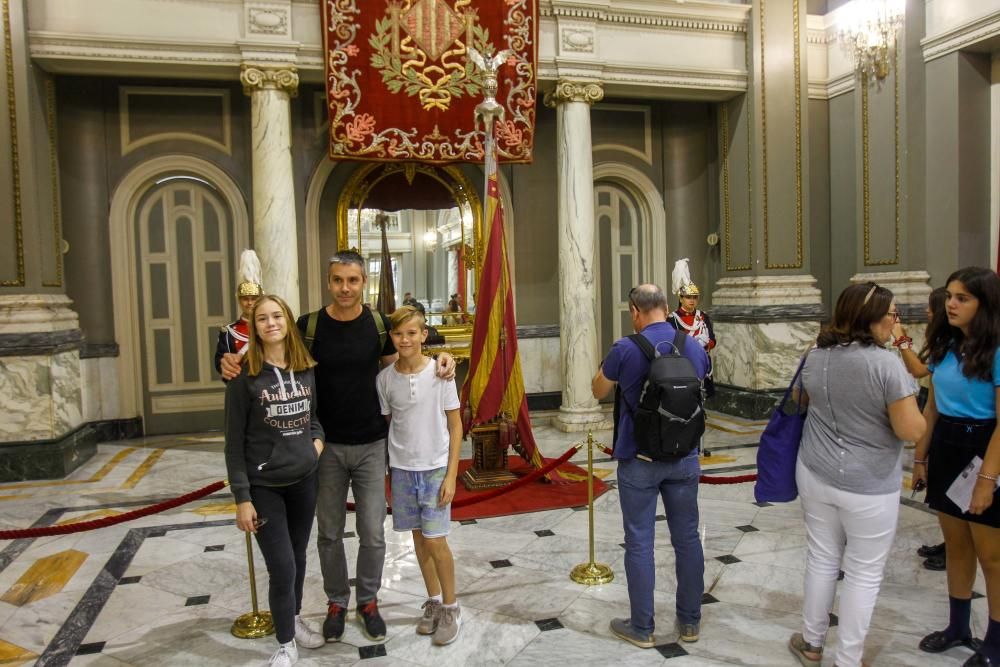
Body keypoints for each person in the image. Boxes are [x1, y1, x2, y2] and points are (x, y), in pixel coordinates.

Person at [221, 251, 455, 643]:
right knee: (328, 533)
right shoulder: (308, 326)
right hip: (325, 447)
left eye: (353, 280)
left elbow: (403, 362)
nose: (345, 288)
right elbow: (268, 350)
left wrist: (441, 357)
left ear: (364, 283)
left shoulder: (379, 325)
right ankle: (336, 601)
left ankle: (368, 600)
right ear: (328, 282)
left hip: (371, 444)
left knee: (372, 532)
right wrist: (228, 361)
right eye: (338, 280)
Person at [788, 282, 925, 667]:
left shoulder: (815, 354)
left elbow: (801, 400)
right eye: (893, 315)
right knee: (863, 573)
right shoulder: (884, 364)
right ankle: (847, 660)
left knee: (821, 557)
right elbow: (911, 430)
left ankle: (811, 643)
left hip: (815, 470)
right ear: (873, 318)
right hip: (867, 484)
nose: (895, 322)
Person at [591, 283, 710, 649]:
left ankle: (642, 627)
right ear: (664, 306)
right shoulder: (693, 346)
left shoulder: (625, 348)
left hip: (640, 459)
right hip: (685, 456)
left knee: (640, 542)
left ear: (634, 311)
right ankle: (689, 622)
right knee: (688, 538)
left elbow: (597, 390)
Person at [224, 294, 326, 667]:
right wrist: (241, 497)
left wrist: (315, 445)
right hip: (264, 488)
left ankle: (293, 618)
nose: (271, 323)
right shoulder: (243, 375)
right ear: (255, 326)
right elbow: (233, 444)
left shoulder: (305, 367)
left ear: (287, 321)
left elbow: (314, 417)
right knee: (281, 565)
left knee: (297, 557)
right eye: (263, 318)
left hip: (304, 481)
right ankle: (285, 643)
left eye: (277, 316)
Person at [913, 267, 1000, 667]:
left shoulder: (996, 349)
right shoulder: (946, 346)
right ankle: (958, 627)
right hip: (947, 443)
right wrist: (919, 457)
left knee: (992, 555)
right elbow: (930, 408)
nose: (951, 303)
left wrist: (986, 480)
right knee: (958, 547)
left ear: (984, 304)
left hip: (985, 447)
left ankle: (996, 643)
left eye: (962, 298)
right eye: (949, 295)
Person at [376, 306, 463, 646]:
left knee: (436, 540)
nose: (405, 339)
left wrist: (452, 474)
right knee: (418, 541)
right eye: (399, 334)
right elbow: (390, 426)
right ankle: (434, 601)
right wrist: (390, 472)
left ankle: (452, 606)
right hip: (402, 471)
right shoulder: (385, 380)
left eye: (412, 333)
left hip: (435, 468)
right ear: (392, 338)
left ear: (423, 335)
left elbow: (455, 425)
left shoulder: (440, 374)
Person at [893, 286, 949, 571]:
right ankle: (949, 542)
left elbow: (918, 370)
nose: (927, 312)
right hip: (934, 407)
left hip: (958, 426)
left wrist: (900, 339)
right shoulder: (942, 343)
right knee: (940, 489)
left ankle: (954, 547)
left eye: (931, 307)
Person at [669, 258, 717, 456]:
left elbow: (713, 340)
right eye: (688, 297)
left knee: (701, 407)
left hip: (702, 367)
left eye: (695, 297)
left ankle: (699, 443)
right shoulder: (672, 319)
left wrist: (705, 343)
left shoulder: (703, 317)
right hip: (682, 368)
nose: (692, 301)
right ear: (681, 298)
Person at [215, 249, 263, 378]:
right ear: (239, 299)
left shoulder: (270, 328)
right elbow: (221, 364)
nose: (249, 303)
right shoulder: (228, 332)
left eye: (254, 298)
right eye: (245, 298)